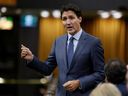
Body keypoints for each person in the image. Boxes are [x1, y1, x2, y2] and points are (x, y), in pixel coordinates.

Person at [21, 4, 105, 96]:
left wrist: (79, 83)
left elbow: (100, 74)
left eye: (71, 18)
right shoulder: (58, 41)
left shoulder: (93, 42)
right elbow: (47, 69)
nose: (68, 22)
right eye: (64, 19)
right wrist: (31, 59)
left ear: (80, 19)